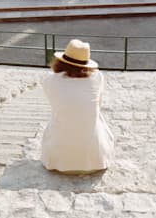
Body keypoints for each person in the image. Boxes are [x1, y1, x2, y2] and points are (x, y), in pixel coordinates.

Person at [41, 38, 114, 174]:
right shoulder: (98, 77)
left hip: (58, 162)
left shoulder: (49, 80)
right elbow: (99, 106)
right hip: (95, 161)